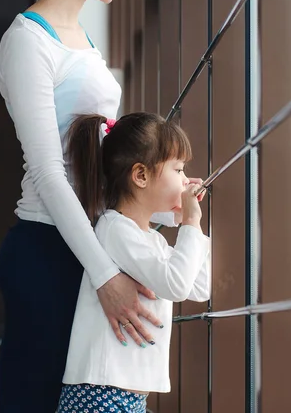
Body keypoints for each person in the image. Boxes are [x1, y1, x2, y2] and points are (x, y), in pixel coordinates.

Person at [0, 0, 183, 412]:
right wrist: (105, 277)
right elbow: (51, 173)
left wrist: (164, 204)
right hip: (47, 250)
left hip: (85, 246)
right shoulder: (27, 42)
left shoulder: (82, 41)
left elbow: (97, 162)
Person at [57, 112, 210, 412]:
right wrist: (190, 220)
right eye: (178, 170)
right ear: (140, 176)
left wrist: (189, 225)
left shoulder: (149, 238)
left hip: (125, 396)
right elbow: (177, 286)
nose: (184, 179)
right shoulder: (116, 230)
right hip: (100, 394)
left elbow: (199, 287)